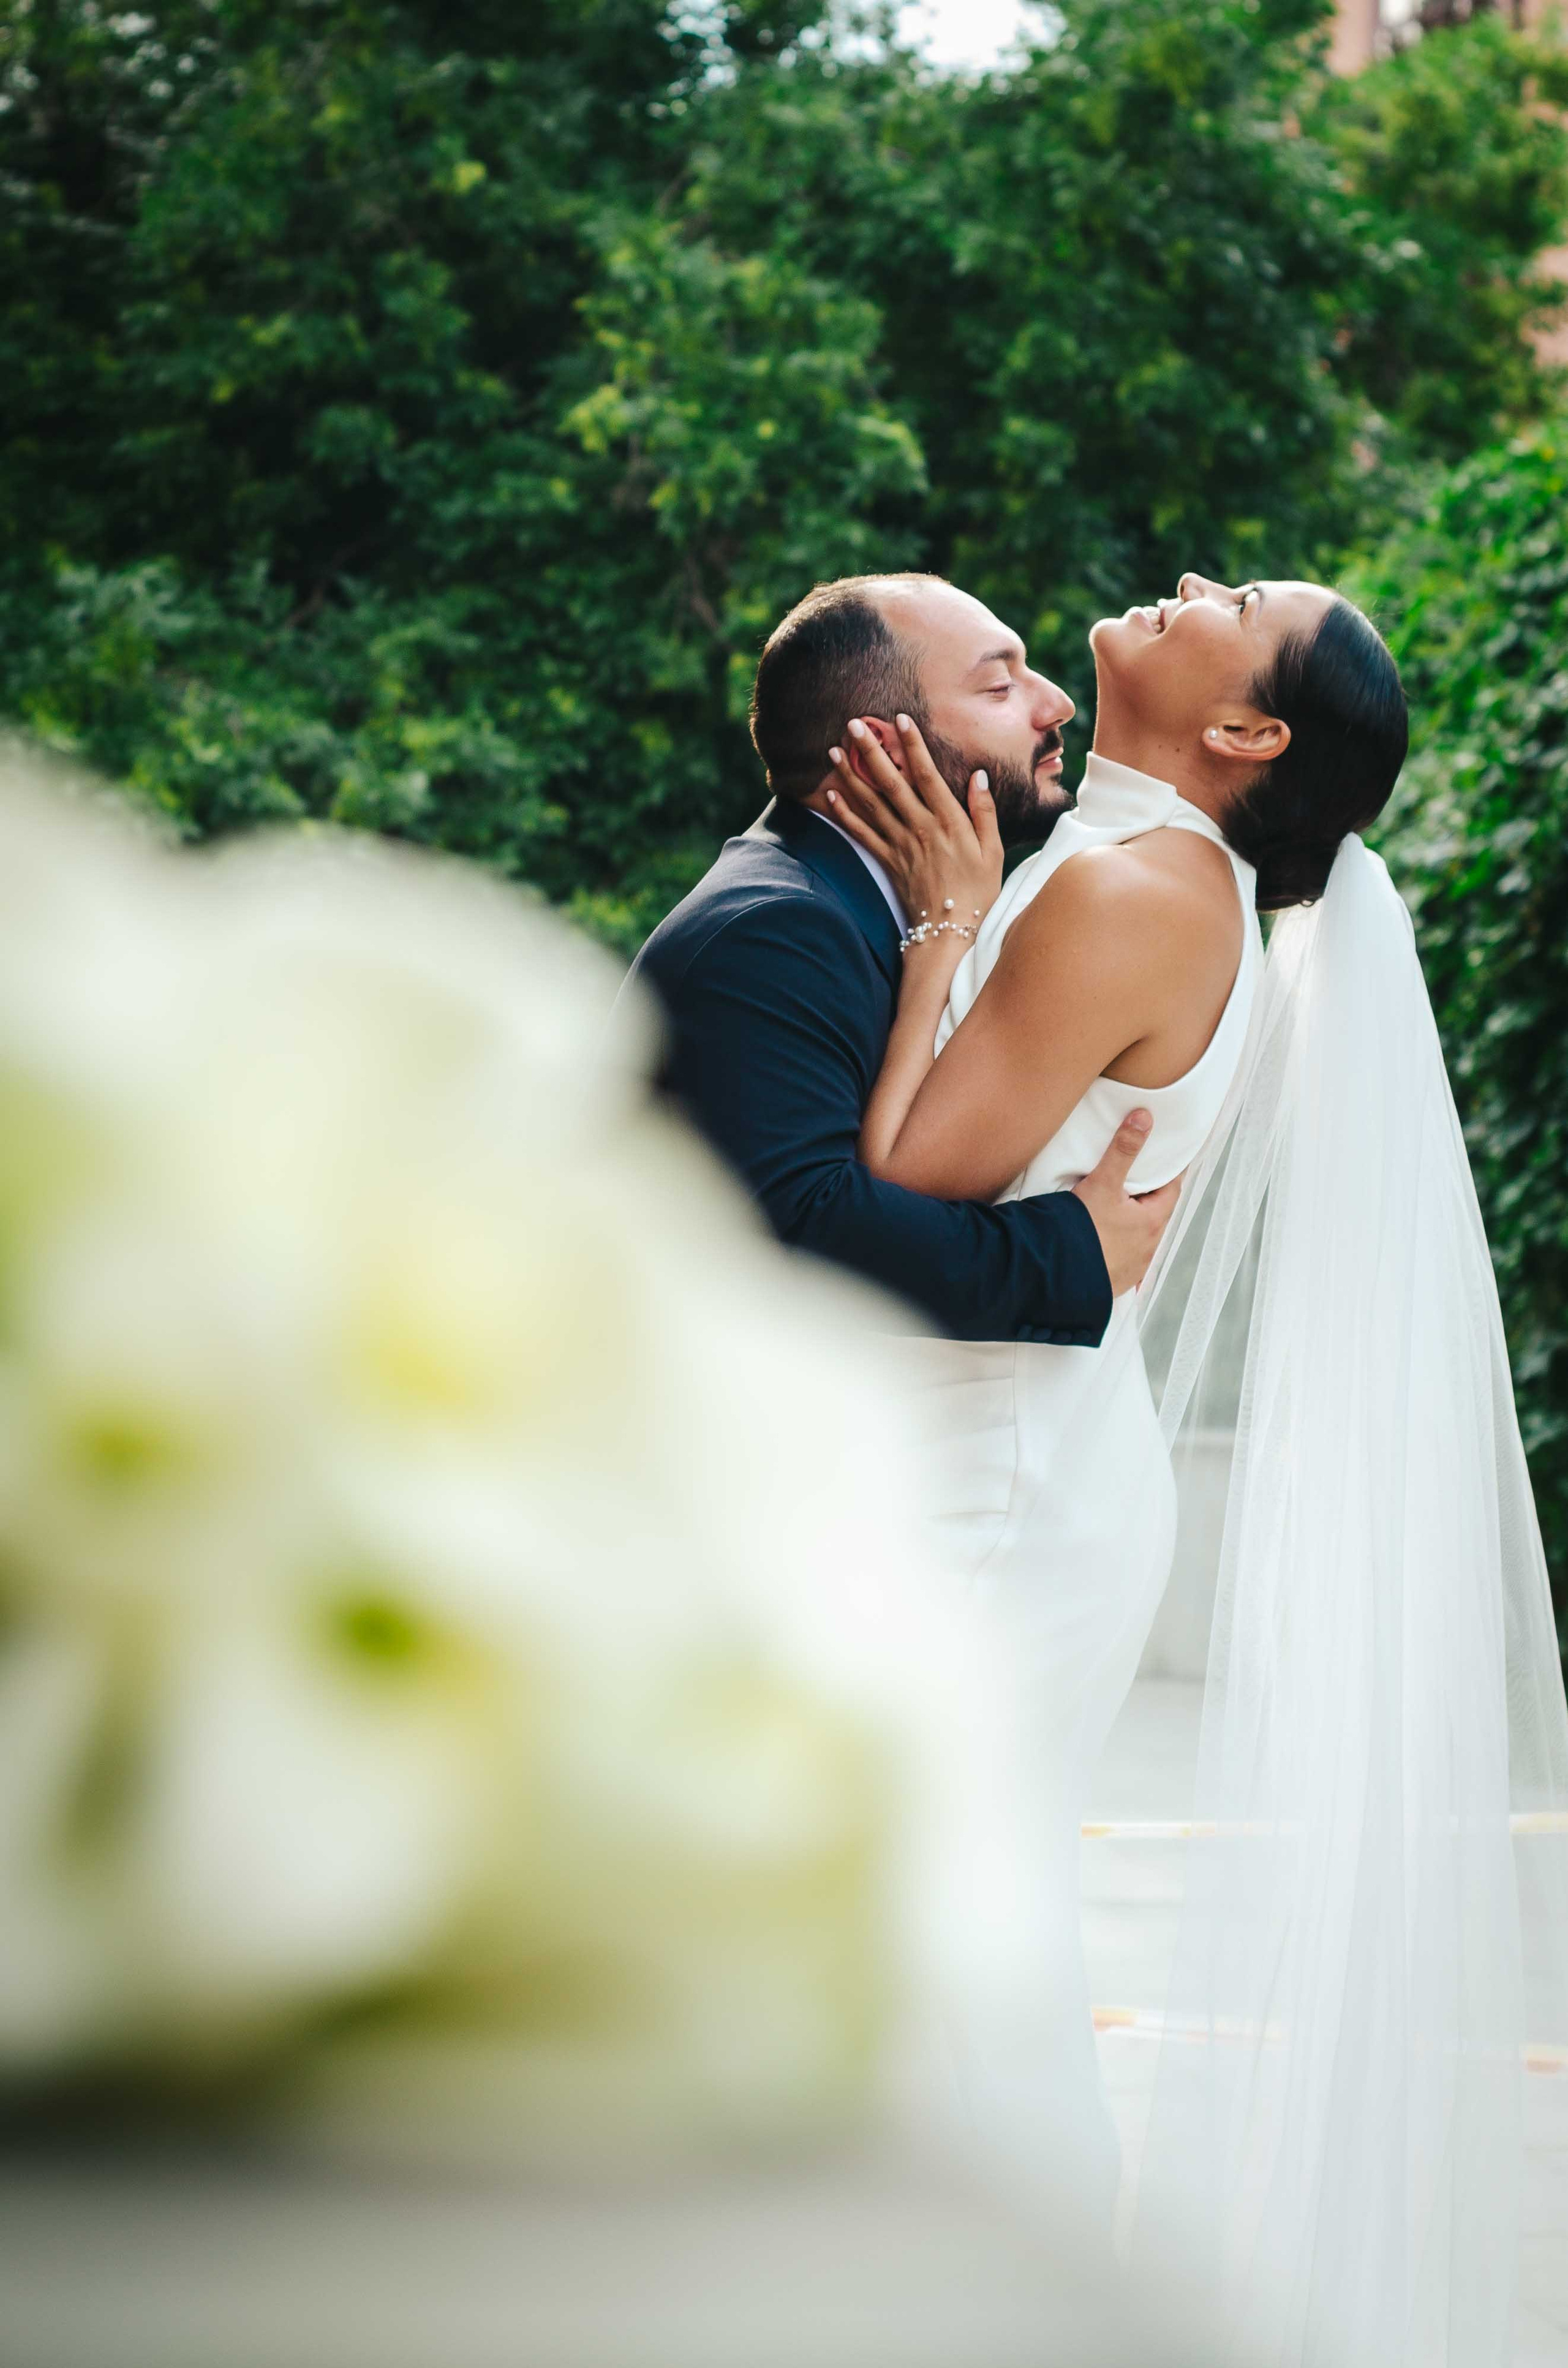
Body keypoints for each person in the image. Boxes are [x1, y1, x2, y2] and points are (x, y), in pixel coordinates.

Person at [825, 571, 1568, 2366]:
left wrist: (936, 919)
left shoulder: (1134, 885)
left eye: (1234, 605)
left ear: (1248, 733)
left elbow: (906, 1180)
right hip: (1020, 1448)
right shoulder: (1158, 868)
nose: (1184, 586)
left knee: (946, 1961)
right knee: (955, 1944)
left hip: (990, 1480)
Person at [629, 575, 1178, 1344]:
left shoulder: (875, 906)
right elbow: (804, 1230)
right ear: (882, 748)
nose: (1055, 704)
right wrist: (1071, 1253)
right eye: (999, 686)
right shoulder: (773, 930)